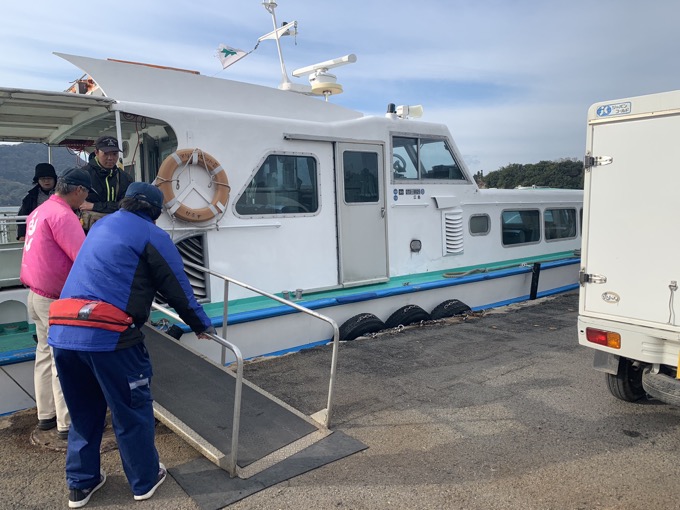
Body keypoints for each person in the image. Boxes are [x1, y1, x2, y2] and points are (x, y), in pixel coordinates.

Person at [49, 182, 215, 508]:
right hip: (110, 337)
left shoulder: (100, 226)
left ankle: (81, 485)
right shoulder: (152, 235)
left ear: (125, 203)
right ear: (154, 211)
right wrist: (200, 325)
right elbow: (176, 286)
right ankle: (144, 480)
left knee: (83, 413)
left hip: (64, 332)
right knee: (131, 412)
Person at [19, 167, 92, 441]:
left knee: (43, 355)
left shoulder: (39, 211)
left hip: (35, 295)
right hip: (55, 300)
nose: (83, 202)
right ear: (78, 191)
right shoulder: (64, 216)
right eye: (84, 196)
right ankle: (68, 422)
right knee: (65, 360)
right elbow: (83, 258)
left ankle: (46, 415)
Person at [79, 135, 133, 231]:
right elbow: (78, 205)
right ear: (96, 152)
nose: (110, 158)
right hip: (88, 232)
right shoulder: (83, 175)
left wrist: (94, 206)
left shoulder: (126, 178)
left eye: (114, 154)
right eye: (106, 153)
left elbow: (126, 206)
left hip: (118, 230)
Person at [16, 163, 58, 241]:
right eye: (42, 179)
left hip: (59, 229)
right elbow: (21, 216)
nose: (46, 181)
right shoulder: (30, 197)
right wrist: (22, 235)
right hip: (38, 232)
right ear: (37, 180)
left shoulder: (64, 193)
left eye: (49, 178)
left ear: (54, 179)